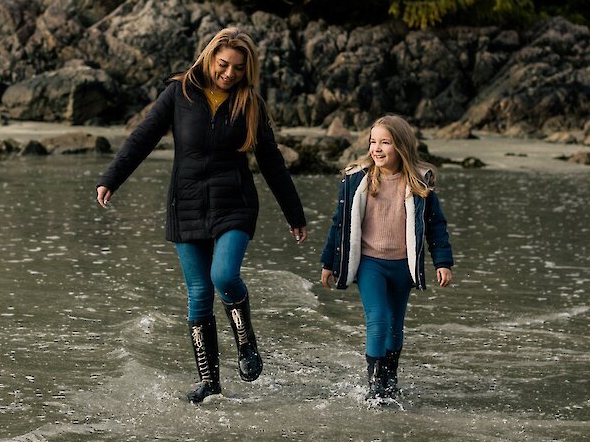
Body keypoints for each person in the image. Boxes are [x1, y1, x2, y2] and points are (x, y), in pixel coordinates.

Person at [96, 27, 308, 403]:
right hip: (187, 204)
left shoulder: (250, 103)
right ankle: (210, 383)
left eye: (238, 69)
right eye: (223, 64)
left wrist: (294, 213)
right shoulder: (179, 93)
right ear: (209, 57)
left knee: (224, 275)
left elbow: (271, 160)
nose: (229, 74)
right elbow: (143, 136)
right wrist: (112, 178)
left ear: (248, 70)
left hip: (234, 203)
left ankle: (245, 343)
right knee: (198, 295)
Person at [319, 114, 453, 400]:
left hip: (403, 266)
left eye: (385, 142)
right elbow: (339, 223)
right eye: (372, 142)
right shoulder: (358, 180)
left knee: (395, 325)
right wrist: (328, 263)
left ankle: (390, 378)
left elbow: (436, 226)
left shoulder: (419, 184)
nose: (376, 148)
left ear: (401, 146)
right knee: (378, 320)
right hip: (371, 264)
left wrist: (442, 263)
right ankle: (375, 385)